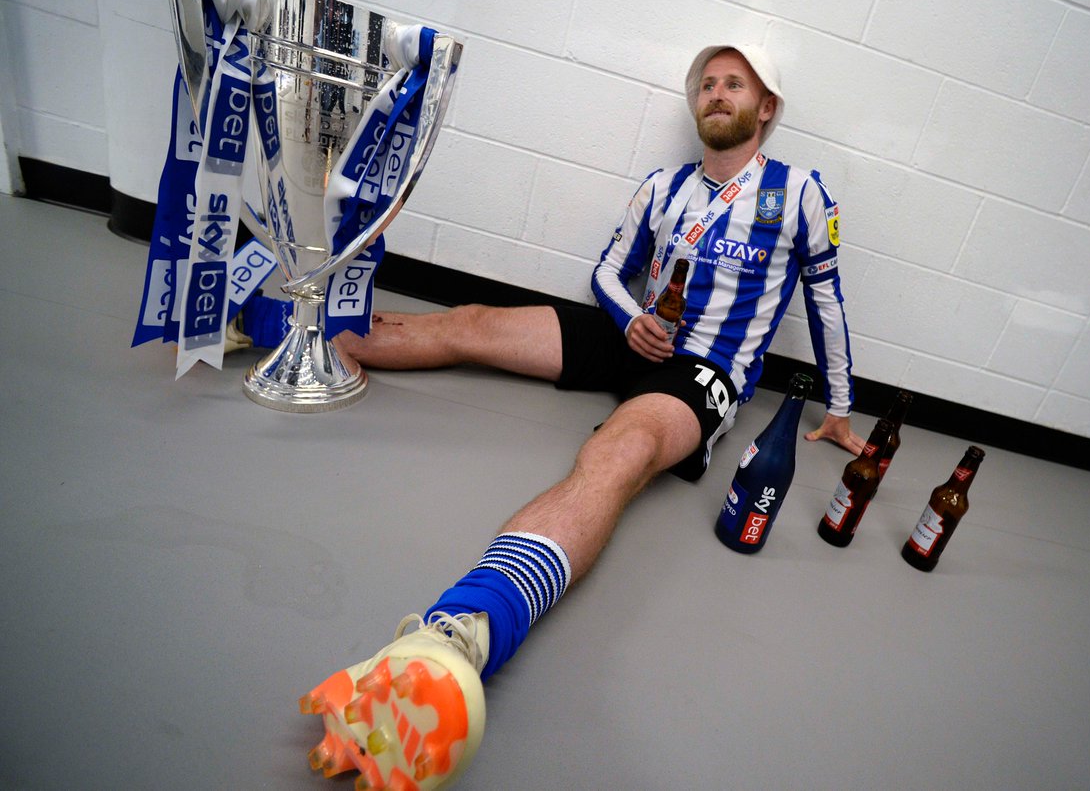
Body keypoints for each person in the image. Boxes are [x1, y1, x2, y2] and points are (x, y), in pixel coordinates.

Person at [300, 44, 863, 790]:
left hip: (705, 372)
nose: (717, 94)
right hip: (633, 335)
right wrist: (630, 320)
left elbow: (826, 299)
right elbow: (606, 270)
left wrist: (842, 404)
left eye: (737, 84)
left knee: (619, 453)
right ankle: (286, 327)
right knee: (470, 322)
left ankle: (462, 634)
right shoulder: (664, 186)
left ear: (766, 109)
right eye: (708, 84)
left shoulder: (800, 193)